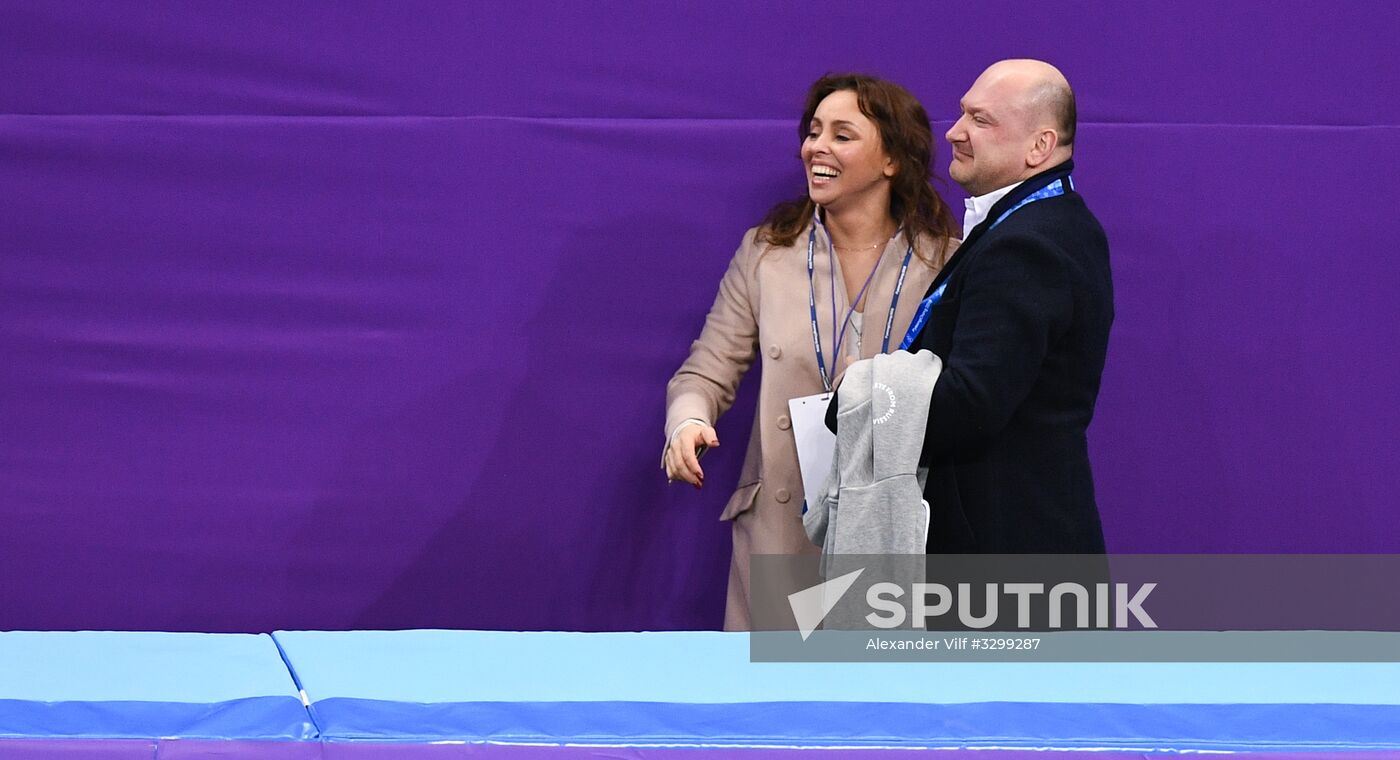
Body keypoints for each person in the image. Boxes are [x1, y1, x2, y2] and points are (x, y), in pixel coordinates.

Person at [663, 73, 959, 630]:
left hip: (891, 529)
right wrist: (687, 422)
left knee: (874, 708)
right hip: (779, 528)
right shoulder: (766, 253)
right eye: (814, 131)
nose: (816, 147)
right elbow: (704, 370)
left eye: (842, 135)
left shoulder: (945, 263)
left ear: (892, 159)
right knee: (773, 707)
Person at [901, 59, 1113, 553]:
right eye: (962, 114)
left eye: (981, 119)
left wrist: (865, 396)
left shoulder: (1026, 245)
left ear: (1040, 146)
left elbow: (969, 407)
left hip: (1002, 561)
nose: (954, 132)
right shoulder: (1054, 222)